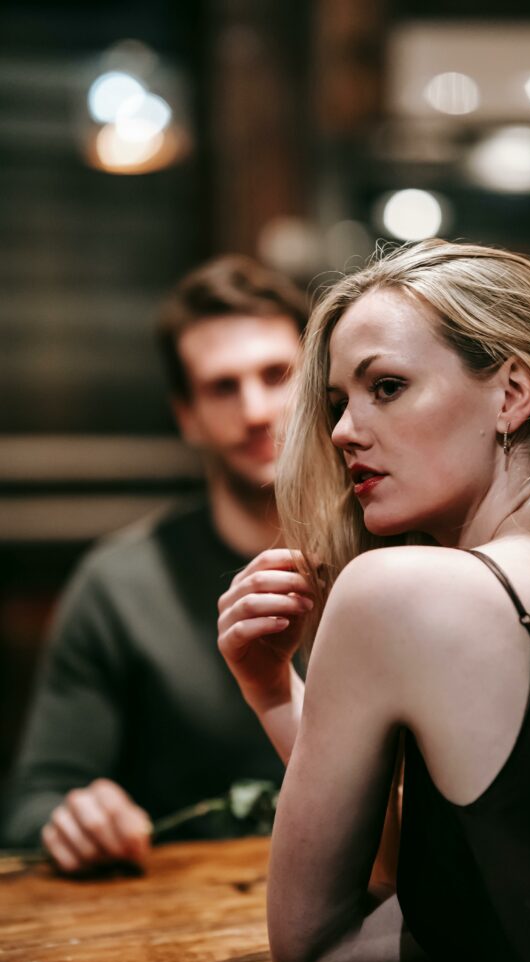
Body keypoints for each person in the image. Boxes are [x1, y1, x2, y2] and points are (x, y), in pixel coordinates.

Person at [218, 240, 530, 962]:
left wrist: (268, 693)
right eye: (338, 402)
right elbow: (521, 872)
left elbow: (315, 943)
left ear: (510, 393)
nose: (341, 432)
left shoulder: (396, 592)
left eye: (386, 387)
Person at [1, 255, 308, 874]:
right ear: (186, 416)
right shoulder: (120, 584)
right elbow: (33, 805)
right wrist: (78, 818)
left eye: (277, 374)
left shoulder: (399, 552)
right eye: (222, 386)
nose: (255, 410)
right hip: (185, 932)